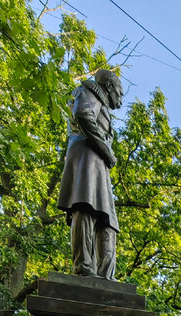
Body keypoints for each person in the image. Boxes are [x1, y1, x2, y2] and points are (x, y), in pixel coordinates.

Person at [57, 68, 124, 279]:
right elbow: (84, 115)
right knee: (85, 206)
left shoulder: (101, 103)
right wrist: (107, 150)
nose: (120, 101)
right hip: (87, 157)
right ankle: (84, 267)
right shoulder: (89, 92)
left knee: (108, 221)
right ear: (110, 87)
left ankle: (106, 277)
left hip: (98, 163)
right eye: (120, 94)